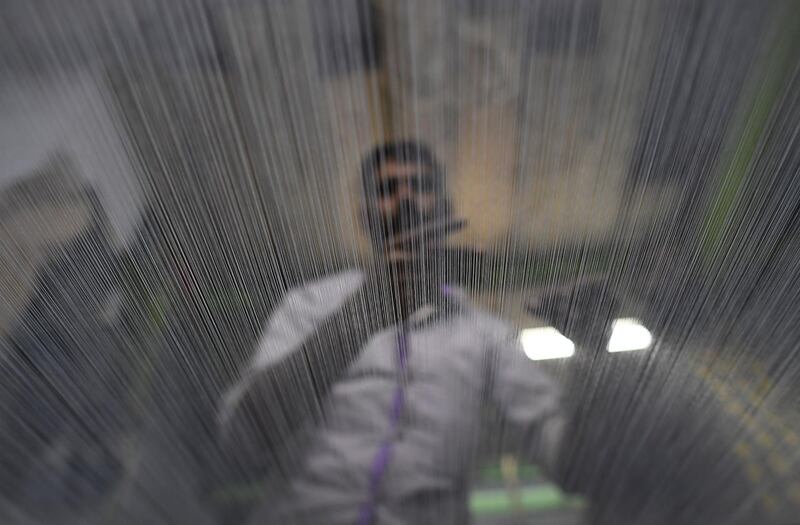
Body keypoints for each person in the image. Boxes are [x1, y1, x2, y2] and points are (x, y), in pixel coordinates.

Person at [220, 140, 565, 524]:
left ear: (446, 207)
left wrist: (603, 364)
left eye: (421, 186)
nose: (406, 199)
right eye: (387, 190)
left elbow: (559, 445)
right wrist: (364, 315)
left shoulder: (485, 334)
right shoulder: (311, 304)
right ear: (364, 215)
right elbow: (240, 439)